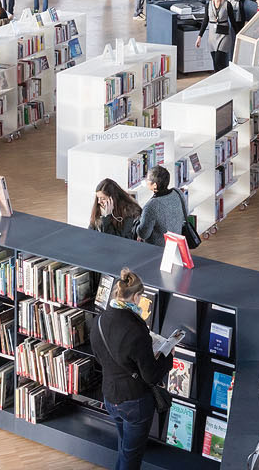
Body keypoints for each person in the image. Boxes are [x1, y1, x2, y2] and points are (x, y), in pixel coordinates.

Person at [91, 268, 164, 470]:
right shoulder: (136, 330)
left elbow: (100, 356)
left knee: (125, 449)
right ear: (136, 296)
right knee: (131, 458)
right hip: (135, 401)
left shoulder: (98, 321)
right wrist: (167, 357)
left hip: (110, 396)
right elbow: (151, 376)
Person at [136, 166, 186, 245]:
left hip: (157, 250)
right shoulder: (178, 192)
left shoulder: (151, 206)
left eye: (147, 179)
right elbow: (184, 215)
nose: (145, 180)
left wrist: (137, 222)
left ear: (155, 185)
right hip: (177, 243)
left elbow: (143, 234)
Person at [198, 0, 235, 71]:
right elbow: (205, 21)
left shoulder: (227, 4)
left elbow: (233, 21)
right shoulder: (208, 5)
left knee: (219, 59)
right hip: (212, 36)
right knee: (215, 61)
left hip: (224, 35)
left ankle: (223, 78)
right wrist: (199, 36)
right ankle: (218, 79)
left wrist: (238, 32)